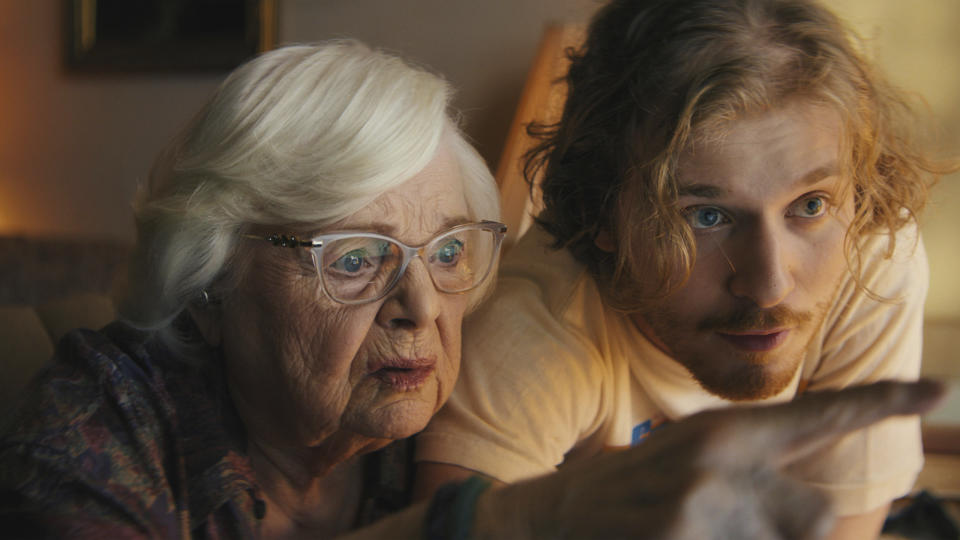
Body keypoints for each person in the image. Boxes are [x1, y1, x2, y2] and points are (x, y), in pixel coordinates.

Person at [0, 38, 946, 540]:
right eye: (357, 258)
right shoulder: (98, 424)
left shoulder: (436, 417)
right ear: (212, 276)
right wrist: (513, 523)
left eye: (449, 253)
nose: (421, 310)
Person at [415, 0, 956, 538]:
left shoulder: (869, 258)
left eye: (810, 205)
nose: (769, 285)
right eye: (708, 216)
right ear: (600, 211)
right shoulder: (535, 331)